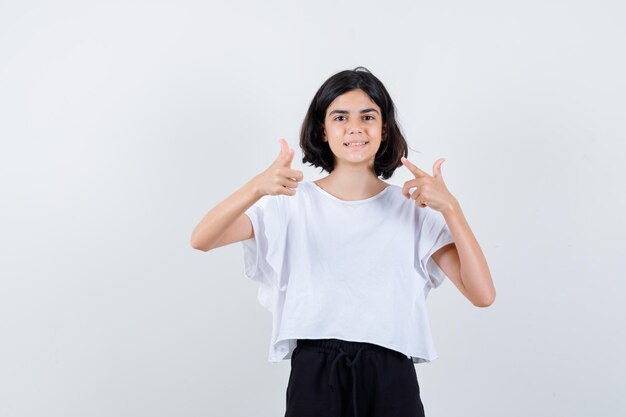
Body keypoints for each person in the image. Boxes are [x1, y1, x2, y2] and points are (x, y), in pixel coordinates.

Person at [190, 67, 496, 417]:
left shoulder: (413, 209)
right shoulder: (289, 203)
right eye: (340, 117)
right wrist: (256, 186)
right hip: (315, 372)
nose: (355, 127)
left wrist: (452, 209)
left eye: (368, 116)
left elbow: (482, 294)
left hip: (391, 371)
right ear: (323, 128)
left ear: (384, 128)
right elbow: (202, 239)